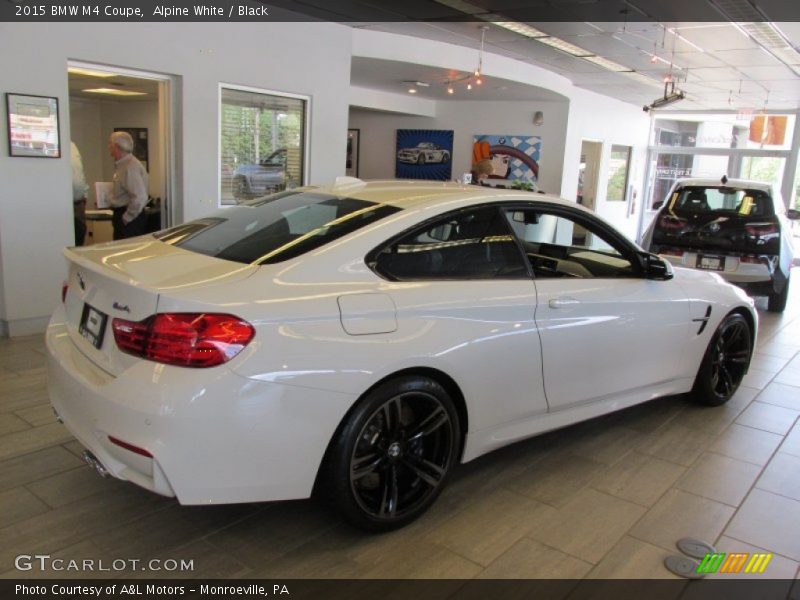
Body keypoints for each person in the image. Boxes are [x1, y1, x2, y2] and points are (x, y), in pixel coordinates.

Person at [107, 131, 148, 240]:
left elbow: (140, 197)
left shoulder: (130, 166)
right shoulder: (124, 164)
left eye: (110, 144)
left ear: (116, 146)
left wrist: (126, 218)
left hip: (129, 219)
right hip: (125, 216)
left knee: (126, 253)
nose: (108, 147)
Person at [70, 141, 89, 245]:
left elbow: (79, 172)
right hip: (66, 205)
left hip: (78, 204)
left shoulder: (72, 146)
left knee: (79, 238)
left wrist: (85, 193)